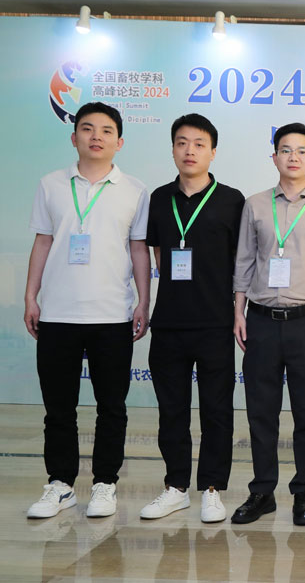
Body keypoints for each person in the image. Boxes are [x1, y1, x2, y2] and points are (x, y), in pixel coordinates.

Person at [25, 102, 150, 519]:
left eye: (106, 130)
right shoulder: (51, 184)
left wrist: (144, 300)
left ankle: (104, 484)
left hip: (112, 315)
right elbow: (43, 241)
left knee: (111, 407)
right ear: (73, 136)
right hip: (57, 314)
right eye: (87, 128)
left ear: (119, 142)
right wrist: (31, 296)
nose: (97, 136)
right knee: (58, 408)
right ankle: (60, 485)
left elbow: (138, 249)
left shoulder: (134, 189)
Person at [230, 123, 305, 526]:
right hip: (261, 320)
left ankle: (303, 492)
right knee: (261, 411)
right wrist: (238, 312)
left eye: (302, 151)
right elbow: (244, 262)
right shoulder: (254, 205)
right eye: (285, 150)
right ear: (274, 157)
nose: (293, 157)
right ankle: (262, 491)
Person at [139, 114, 245, 523]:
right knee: (172, 410)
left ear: (213, 152)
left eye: (199, 144)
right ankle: (176, 487)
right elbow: (157, 254)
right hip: (168, 322)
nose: (190, 151)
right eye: (182, 143)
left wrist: (237, 312)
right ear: (172, 149)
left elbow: (241, 262)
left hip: (215, 322)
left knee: (217, 410)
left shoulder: (232, 200)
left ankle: (213, 489)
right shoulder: (159, 198)